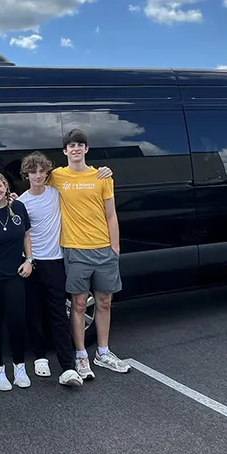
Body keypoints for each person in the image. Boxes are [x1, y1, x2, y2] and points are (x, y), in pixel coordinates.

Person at [18, 153, 112, 387]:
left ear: (47, 173)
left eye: (42, 171)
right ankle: (40, 356)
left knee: (59, 313)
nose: (38, 176)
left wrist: (105, 171)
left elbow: (80, 182)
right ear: (26, 175)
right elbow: (21, 234)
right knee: (34, 311)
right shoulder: (21, 202)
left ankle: (68, 367)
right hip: (33, 262)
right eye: (33, 172)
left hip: (56, 260)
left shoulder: (57, 192)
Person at [50, 128, 132, 378]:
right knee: (77, 304)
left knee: (104, 302)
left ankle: (103, 353)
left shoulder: (102, 176)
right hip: (75, 250)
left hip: (104, 249)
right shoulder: (57, 176)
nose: (75, 149)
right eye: (71, 146)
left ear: (86, 149)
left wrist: (115, 247)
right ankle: (81, 356)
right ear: (65, 151)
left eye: (80, 145)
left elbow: (111, 214)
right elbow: (35, 186)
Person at [0, 171, 33, 391]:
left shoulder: (18, 208)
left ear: (5, 186)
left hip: (15, 276)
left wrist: (29, 260)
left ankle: (19, 367)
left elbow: (26, 234)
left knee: (17, 322)